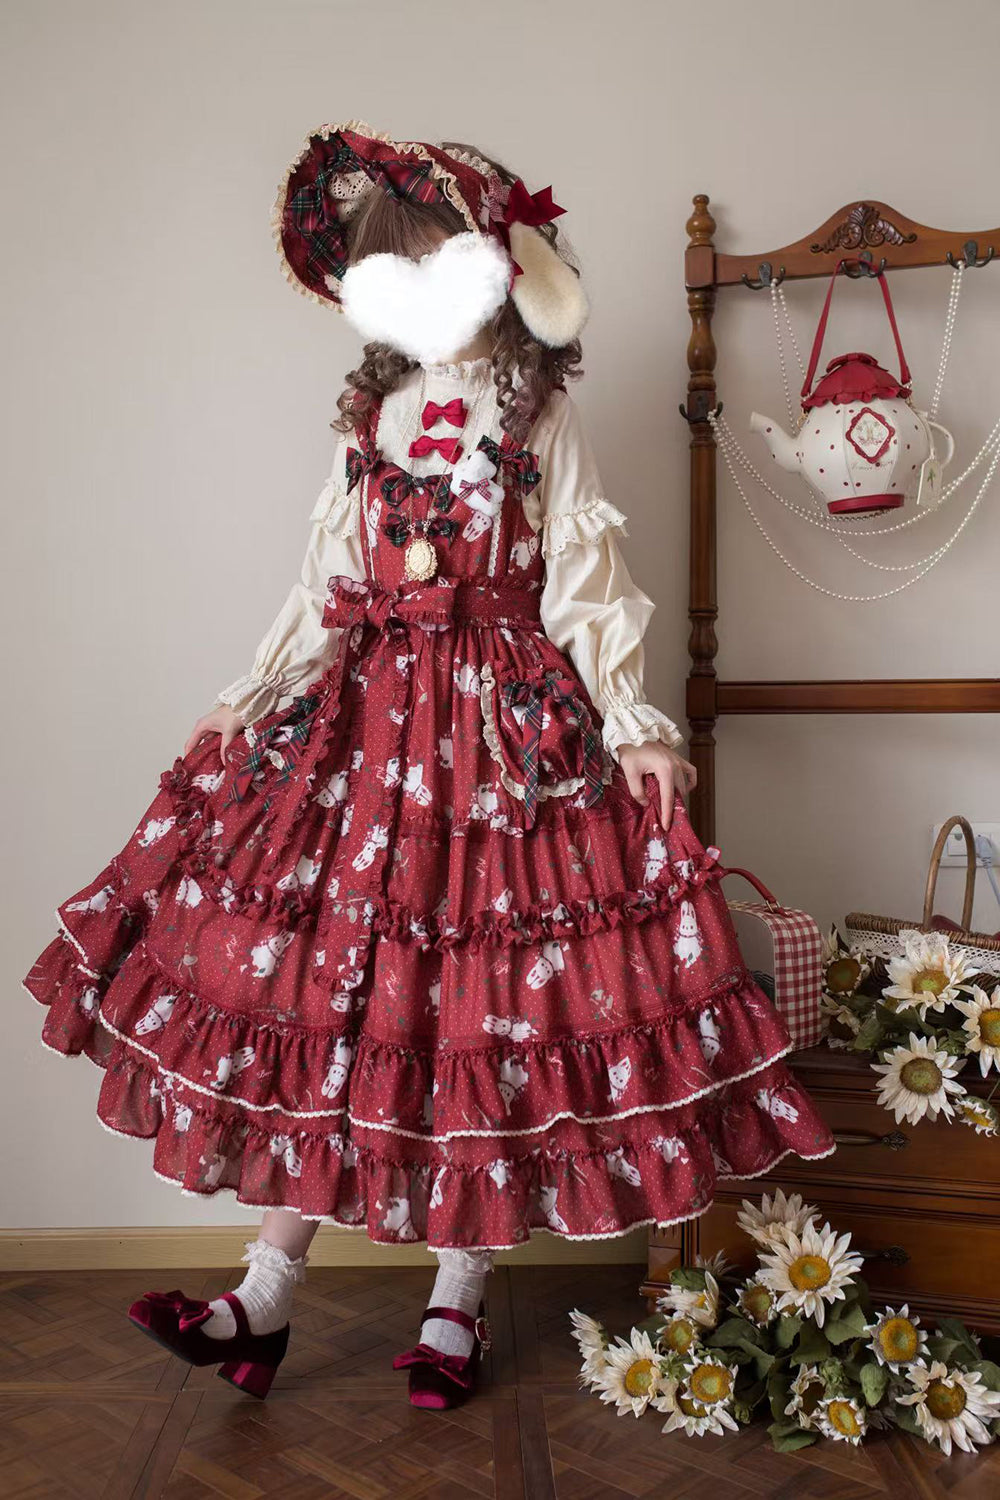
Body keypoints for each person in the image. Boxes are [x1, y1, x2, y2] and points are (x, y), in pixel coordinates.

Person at [23, 121, 834, 1408]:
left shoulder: (541, 413)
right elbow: (325, 579)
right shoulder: (371, 414)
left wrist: (633, 724)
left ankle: (458, 1298)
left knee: (485, 1006)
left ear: (498, 270)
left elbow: (585, 578)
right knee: (333, 994)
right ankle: (264, 1295)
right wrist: (248, 698)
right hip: (365, 729)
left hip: (501, 743)